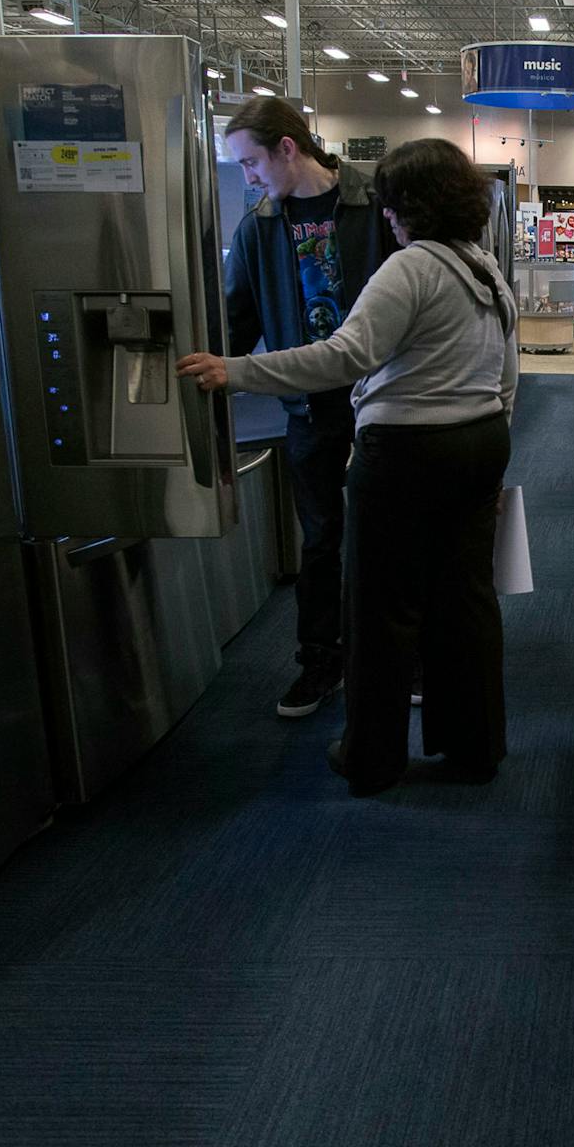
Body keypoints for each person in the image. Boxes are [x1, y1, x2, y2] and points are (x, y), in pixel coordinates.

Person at [178, 139, 518, 796]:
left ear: (412, 205)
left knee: (379, 608)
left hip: (406, 455)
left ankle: (372, 757)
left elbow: (343, 356)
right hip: (479, 445)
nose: (384, 215)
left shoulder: (410, 268)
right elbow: (507, 379)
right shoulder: (485, 269)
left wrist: (237, 370)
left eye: (391, 203)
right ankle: (475, 746)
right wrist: (492, 458)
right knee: (466, 604)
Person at [220, 97, 396, 720]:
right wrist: (215, 376)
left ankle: (406, 655)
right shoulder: (258, 226)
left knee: (393, 532)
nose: (248, 177)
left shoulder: (374, 203)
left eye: (250, 163)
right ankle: (322, 661)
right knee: (321, 539)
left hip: (383, 399)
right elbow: (238, 317)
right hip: (306, 407)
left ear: (287, 147)